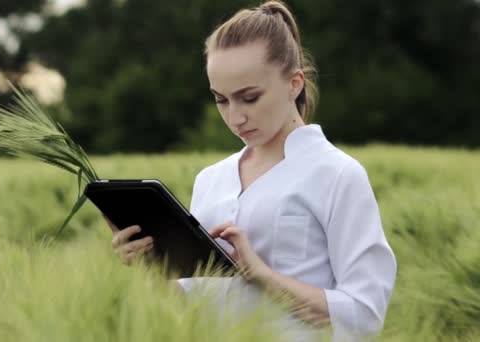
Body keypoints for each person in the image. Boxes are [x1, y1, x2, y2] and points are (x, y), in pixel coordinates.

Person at [106, 1, 397, 341]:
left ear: (295, 83)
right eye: (221, 100)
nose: (235, 117)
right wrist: (151, 268)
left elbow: (365, 314)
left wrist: (260, 275)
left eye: (250, 97)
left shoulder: (338, 175)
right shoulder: (210, 180)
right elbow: (191, 308)